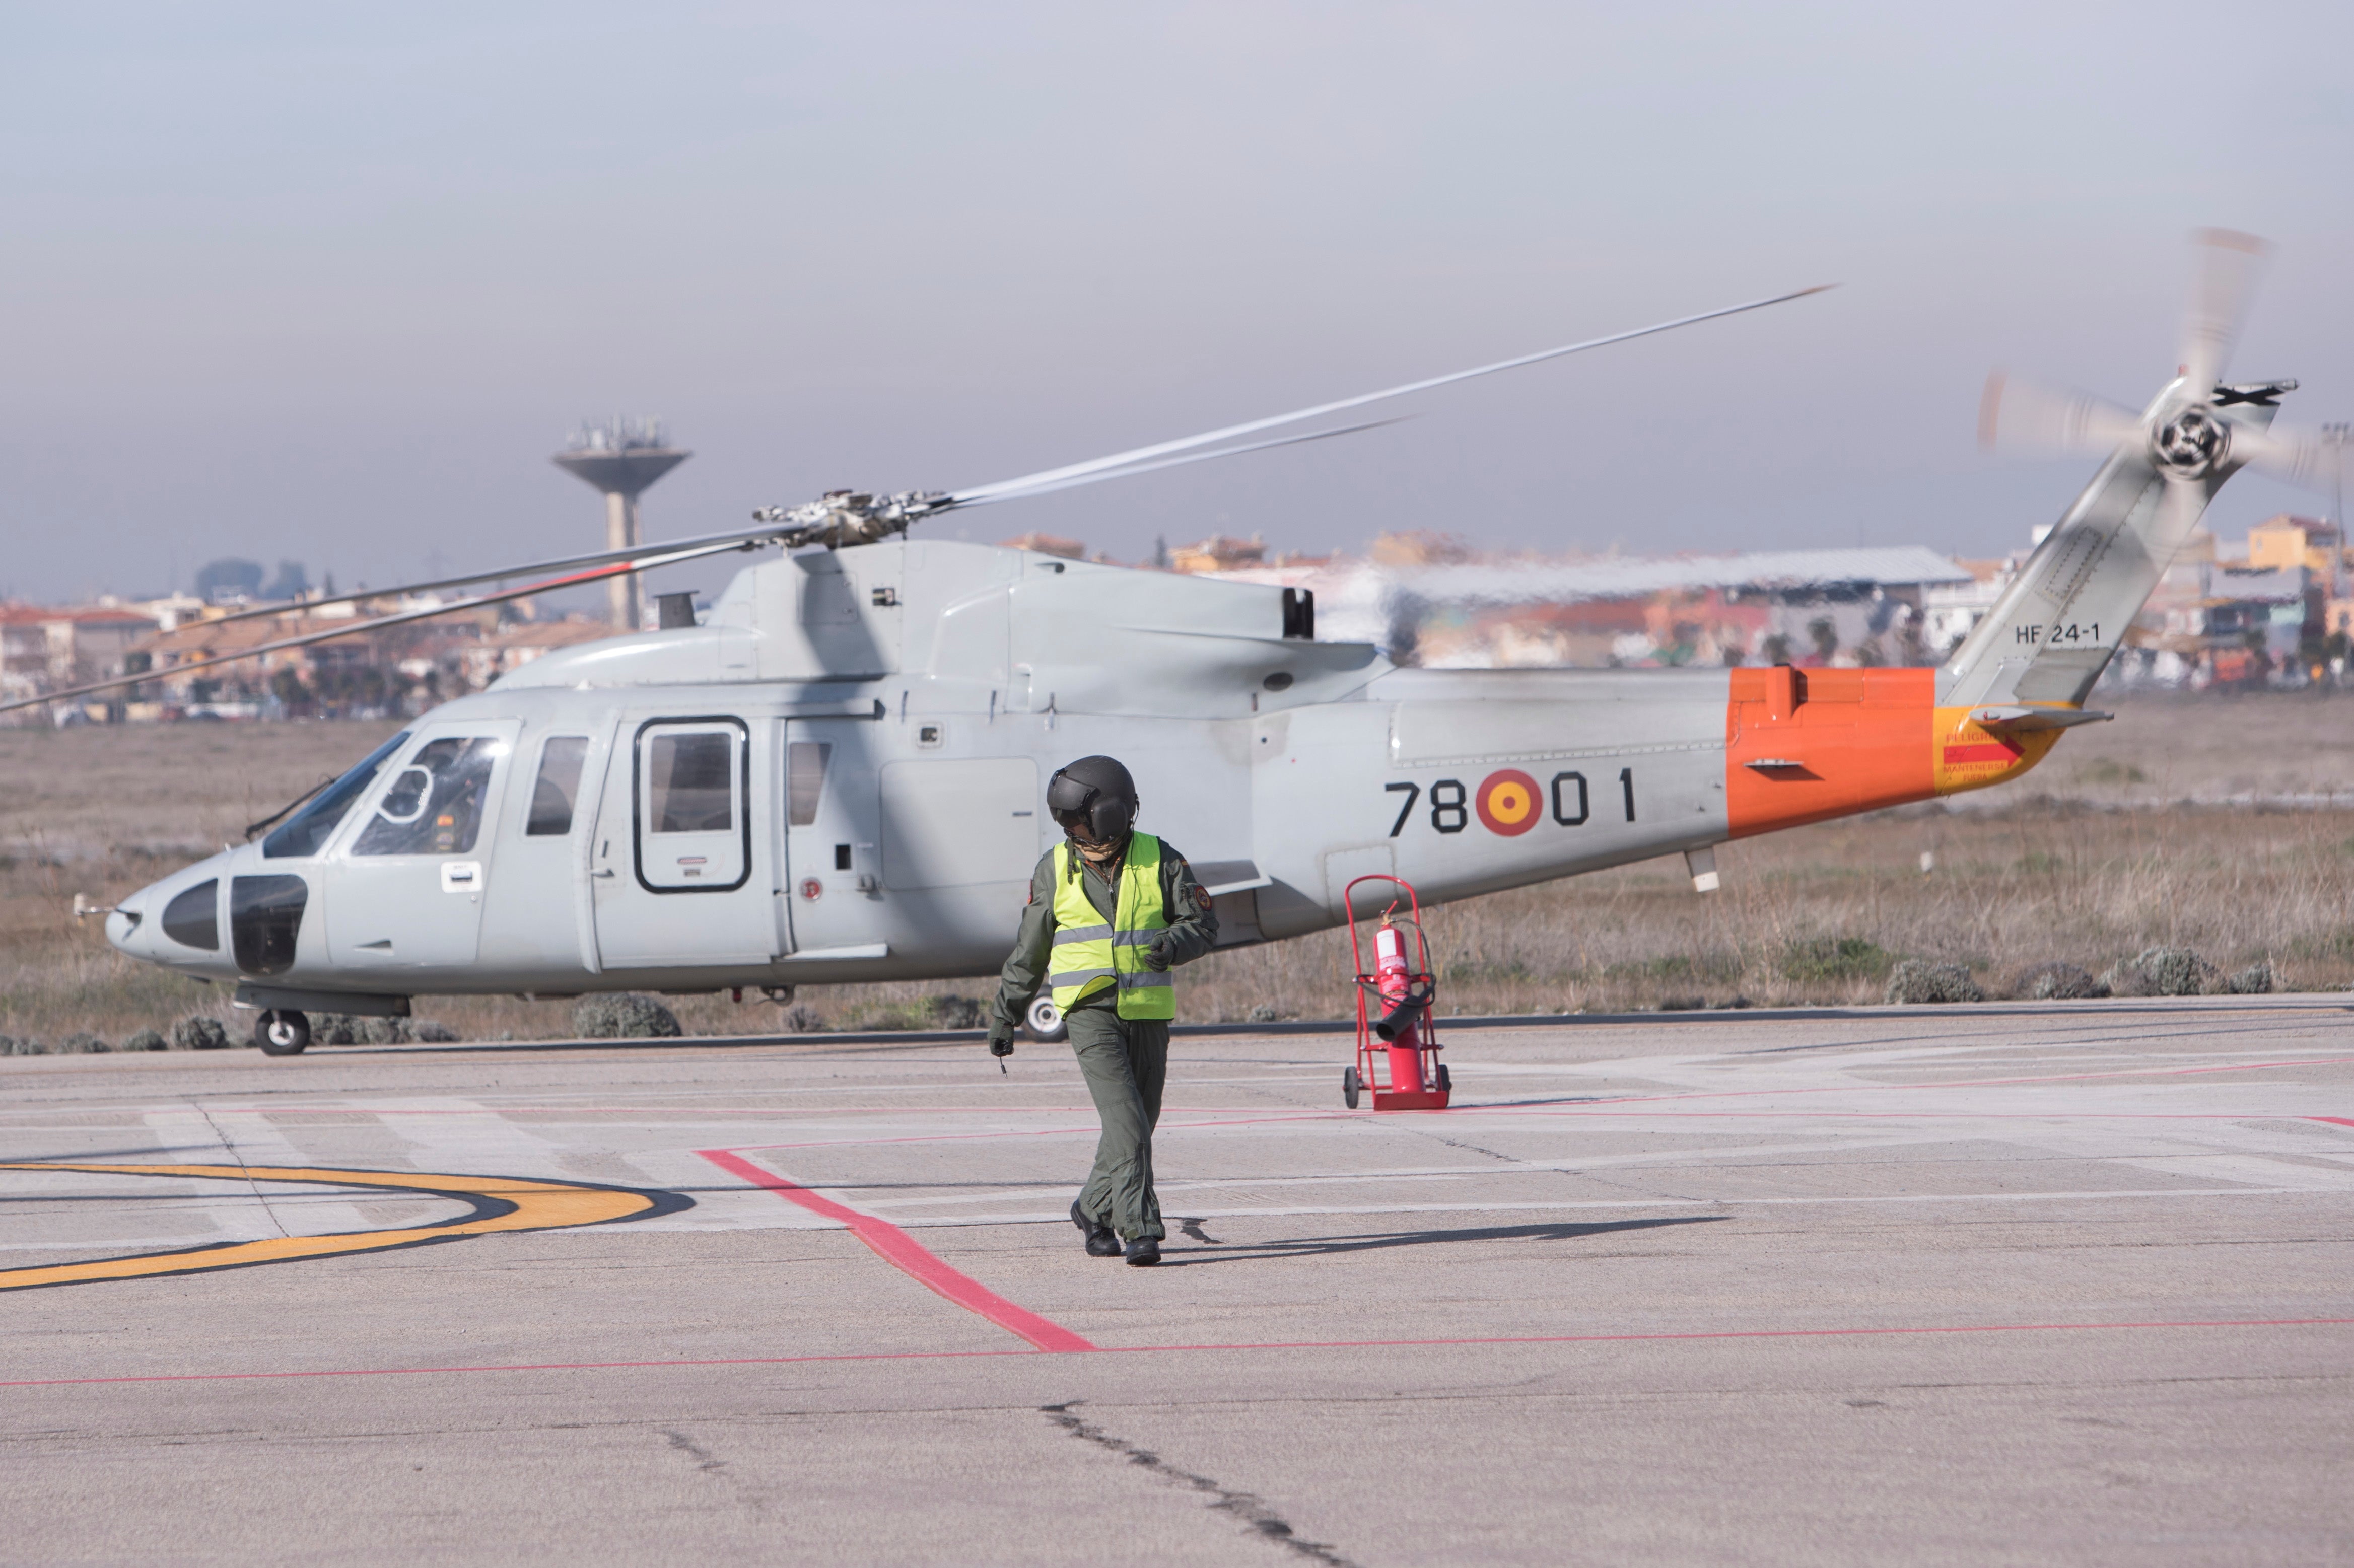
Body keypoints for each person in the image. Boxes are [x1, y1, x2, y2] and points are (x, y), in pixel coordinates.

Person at [989, 755, 1217, 1265]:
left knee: (1138, 1121)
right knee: (1126, 1120)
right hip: (1087, 1009)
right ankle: (1142, 1229)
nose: (1068, 828)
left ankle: (1092, 1209)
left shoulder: (1162, 859)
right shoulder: (1053, 868)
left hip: (1148, 1008)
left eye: (1076, 818)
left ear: (1109, 814)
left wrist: (1174, 944)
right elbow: (1030, 949)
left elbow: (1203, 925)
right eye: (1063, 819)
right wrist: (1007, 1013)